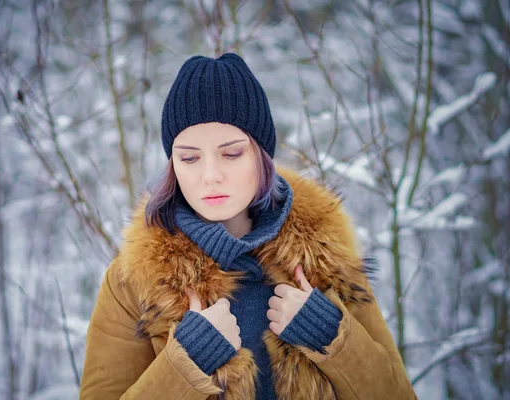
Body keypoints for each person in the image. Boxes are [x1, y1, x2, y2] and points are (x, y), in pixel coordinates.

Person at [79, 53, 417, 400]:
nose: (210, 175)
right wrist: (188, 362)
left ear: (261, 156)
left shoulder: (325, 260)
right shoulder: (133, 281)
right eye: (190, 157)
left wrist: (329, 335)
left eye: (231, 153)